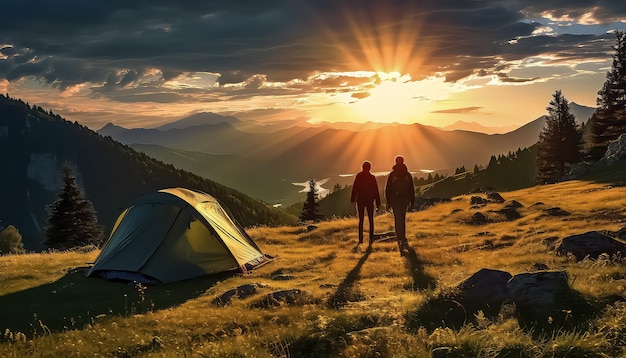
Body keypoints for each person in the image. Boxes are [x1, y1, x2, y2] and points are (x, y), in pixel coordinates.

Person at [385, 155, 415, 255]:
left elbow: (388, 189)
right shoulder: (407, 174)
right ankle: (403, 236)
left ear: (396, 162)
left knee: (397, 218)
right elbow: (411, 189)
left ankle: (399, 237)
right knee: (403, 218)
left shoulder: (392, 174)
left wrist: (388, 202)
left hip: (395, 199)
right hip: (405, 199)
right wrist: (412, 201)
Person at [351, 161, 381, 245]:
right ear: (369, 168)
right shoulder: (372, 177)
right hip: (369, 201)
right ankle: (371, 238)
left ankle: (360, 239)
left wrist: (353, 199)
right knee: (371, 220)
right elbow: (376, 191)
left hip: (360, 200)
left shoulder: (359, 176)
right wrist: (378, 203)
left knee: (361, 220)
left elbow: (355, 188)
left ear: (362, 167)